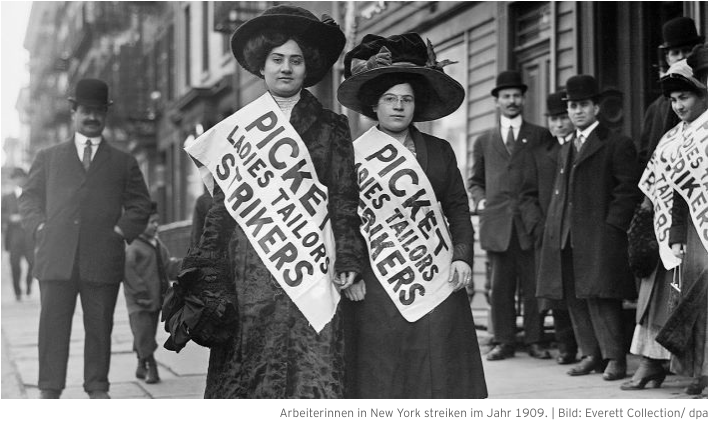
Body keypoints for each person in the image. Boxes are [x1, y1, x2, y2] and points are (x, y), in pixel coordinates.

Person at [186, 5, 363, 398]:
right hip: (250, 271)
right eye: (277, 59)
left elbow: (345, 199)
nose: (286, 68)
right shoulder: (236, 130)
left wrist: (349, 258)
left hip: (314, 268)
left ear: (308, 67)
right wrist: (206, 269)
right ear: (261, 66)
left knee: (311, 375)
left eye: (296, 61)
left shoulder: (333, 126)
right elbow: (222, 208)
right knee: (250, 375)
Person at [337, 32, 487, 398]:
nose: (399, 107)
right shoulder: (354, 154)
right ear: (375, 106)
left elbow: (457, 207)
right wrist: (350, 268)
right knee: (384, 368)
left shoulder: (439, 150)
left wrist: (463, 256)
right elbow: (344, 216)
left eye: (406, 99)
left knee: (438, 366)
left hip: (436, 271)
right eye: (389, 99)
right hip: (378, 276)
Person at [19, 78, 152, 399]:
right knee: (52, 329)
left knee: (99, 327)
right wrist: (39, 227)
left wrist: (120, 232)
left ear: (105, 115)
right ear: (73, 112)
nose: (92, 117)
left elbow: (140, 204)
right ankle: (49, 388)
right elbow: (29, 199)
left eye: (98, 112)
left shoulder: (124, 161)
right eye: (85, 111)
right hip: (56, 258)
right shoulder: (48, 157)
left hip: (102, 259)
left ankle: (97, 387)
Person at [532, 75, 641, 381]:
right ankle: (590, 354)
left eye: (583, 105)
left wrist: (612, 228)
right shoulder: (566, 147)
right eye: (572, 106)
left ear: (596, 107)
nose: (577, 112)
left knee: (602, 296)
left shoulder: (616, 142)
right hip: (566, 234)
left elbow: (628, 190)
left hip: (599, 235)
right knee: (574, 297)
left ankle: (614, 358)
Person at [468, 70, 552, 361]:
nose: (512, 101)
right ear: (496, 101)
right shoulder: (484, 141)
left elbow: (548, 176)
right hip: (498, 224)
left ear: (524, 99)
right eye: (506, 96)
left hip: (530, 223)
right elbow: (475, 180)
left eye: (516, 95)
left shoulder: (540, 135)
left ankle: (535, 340)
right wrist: (481, 202)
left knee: (532, 286)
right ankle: (503, 341)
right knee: (501, 288)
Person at [657, 57, 707, 395]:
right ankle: (702, 372)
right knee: (697, 301)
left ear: (702, 95)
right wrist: (675, 236)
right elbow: (676, 192)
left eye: (684, 98)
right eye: (674, 100)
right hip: (694, 228)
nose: (679, 106)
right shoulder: (676, 137)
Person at [520, 91, 579, 365]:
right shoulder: (541, 154)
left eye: (562, 118)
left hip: (575, 232)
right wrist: (539, 226)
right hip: (548, 232)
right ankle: (566, 346)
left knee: (578, 289)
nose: (558, 125)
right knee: (555, 293)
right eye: (553, 120)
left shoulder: (578, 149)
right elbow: (527, 194)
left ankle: (586, 346)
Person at [123, 202, 182, 384]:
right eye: (151, 222)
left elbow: (167, 266)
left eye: (157, 221)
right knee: (143, 333)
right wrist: (140, 293)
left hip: (156, 300)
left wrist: (183, 266)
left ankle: (141, 363)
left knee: (146, 334)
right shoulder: (133, 246)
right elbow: (129, 272)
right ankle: (152, 367)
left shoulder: (157, 244)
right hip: (138, 301)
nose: (155, 225)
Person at [637, 17, 703, 166]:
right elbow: (644, 158)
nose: (681, 57)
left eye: (687, 50)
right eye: (675, 52)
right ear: (667, 58)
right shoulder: (656, 108)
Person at [2, 167, 34, 301]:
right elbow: (2, 214)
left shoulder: (32, 194)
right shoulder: (7, 197)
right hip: (14, 235)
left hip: (29, 235)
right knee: (14, 264)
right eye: (16, 178)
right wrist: (10, 218)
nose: (18, 180)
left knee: (33, 263)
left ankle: (28, 285)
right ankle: (17, 292)